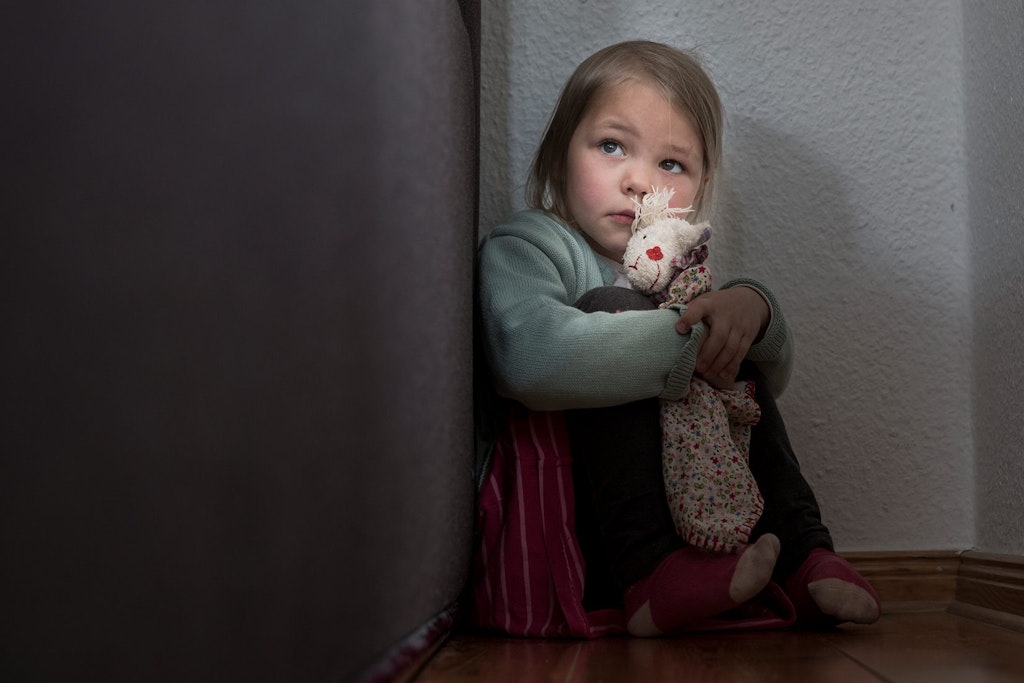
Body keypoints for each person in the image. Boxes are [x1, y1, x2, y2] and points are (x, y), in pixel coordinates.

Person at [473, 40, 880, 637]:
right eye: (611, 146)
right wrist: (689, 341)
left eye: (672, 164)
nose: (639, 181)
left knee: (736, 317)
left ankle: (801, 555)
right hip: (586, 541)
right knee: (615, 308)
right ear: (561, 157)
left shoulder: (680, 277)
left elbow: (772, 378)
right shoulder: (532, 245)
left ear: (701, 184)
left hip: (693, 520)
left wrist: (752, 315)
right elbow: (530, 361)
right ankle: (653, 574)